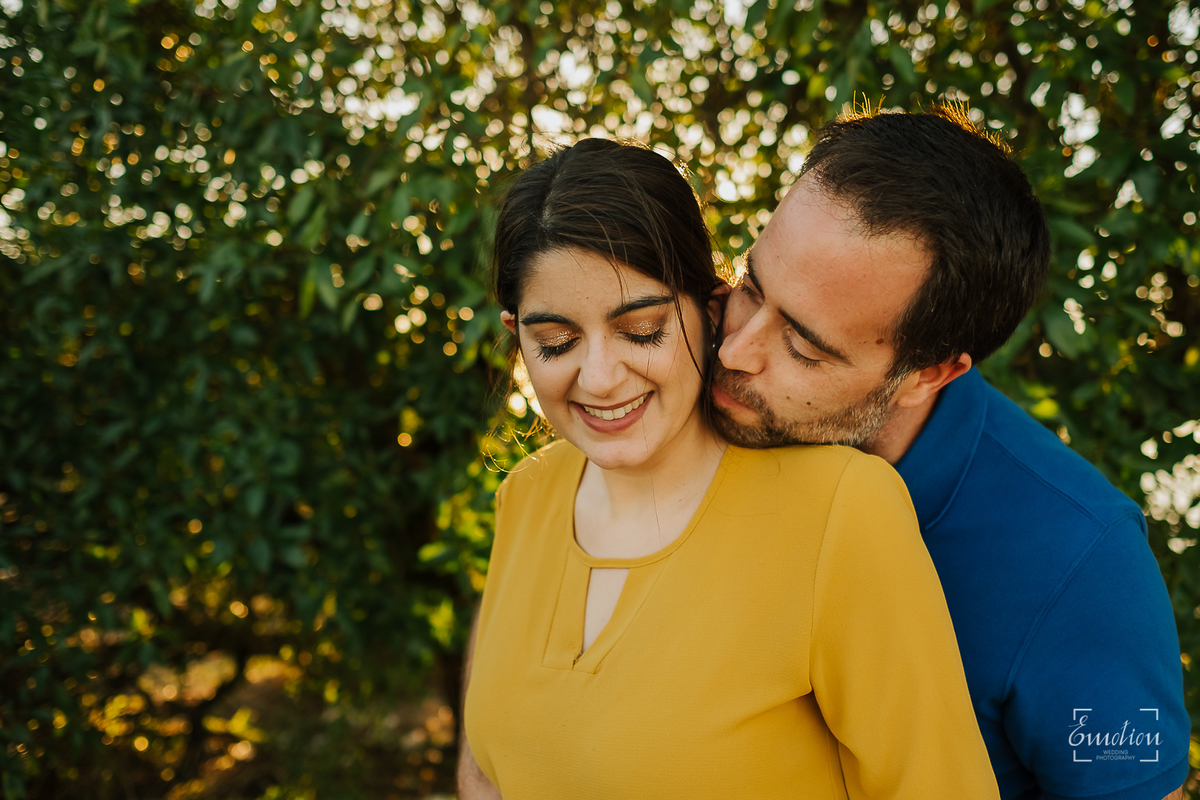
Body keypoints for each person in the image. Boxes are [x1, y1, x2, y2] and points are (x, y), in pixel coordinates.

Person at [458, 138, 1002, 798]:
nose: (598, 379)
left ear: (709, 309)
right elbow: (485, 770)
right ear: (518, 336)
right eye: (555, 342)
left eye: (642, 331)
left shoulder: (842, 511)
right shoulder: (528, 492)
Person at [709, 106, 1188, 800]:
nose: (734, 349)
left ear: (927, 375)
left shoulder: (1083, 565)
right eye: (751, 286)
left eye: (804, 347)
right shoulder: (705, 402)